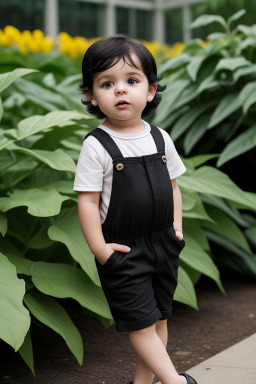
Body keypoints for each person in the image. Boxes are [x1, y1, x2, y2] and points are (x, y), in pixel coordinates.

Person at [74, 34, 197, 384]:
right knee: (140, 324)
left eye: (131, 81)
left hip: (163, 243)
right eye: (106, 83)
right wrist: (101, 251)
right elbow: (87, 201)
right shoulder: (97, 146)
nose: (120, 91)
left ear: (151, 90)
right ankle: (175, 382)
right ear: (91, 95)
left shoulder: (159, 137)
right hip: (123, 249)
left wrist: (177, 228)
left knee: (159, 318)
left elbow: (172, 186)